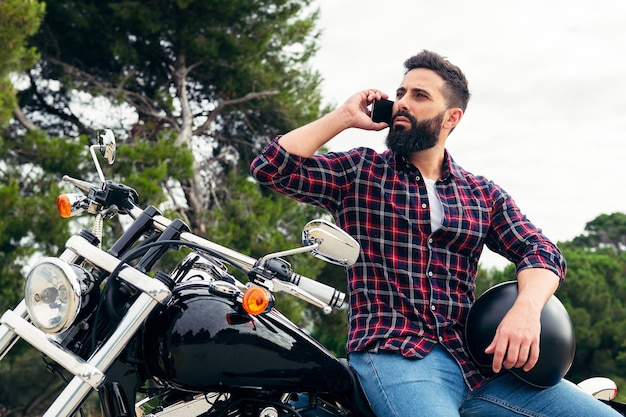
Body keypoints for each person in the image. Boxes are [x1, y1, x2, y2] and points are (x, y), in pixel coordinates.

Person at [250, 50, 619, 416]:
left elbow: (541, 251)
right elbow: (272, 166)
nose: (402, 104)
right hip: (396, 354)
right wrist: (344, 116)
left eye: (419, 96)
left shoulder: (482, 193)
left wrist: (526, 309)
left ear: (451, 117)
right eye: (400, 94)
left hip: (480, 365)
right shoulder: (360, 171)